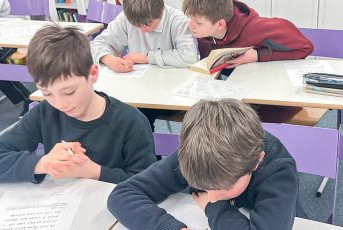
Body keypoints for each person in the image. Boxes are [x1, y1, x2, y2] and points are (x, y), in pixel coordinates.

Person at [0, 25, 157, 184]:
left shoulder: (130, 121)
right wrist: (42, 163)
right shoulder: (45, 112)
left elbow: (149, 183)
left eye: (69, 92)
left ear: (92, 74)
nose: (61, 104)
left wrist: (94, 172)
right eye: (46, 93)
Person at [107, 99, 299, 230]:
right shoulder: (197, 154)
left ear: (257, 161)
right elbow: (122, 195)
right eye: (206, 186)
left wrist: (213, 208)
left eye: (225, 186)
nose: (213, 195)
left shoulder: (278, 170)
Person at [182, 0, 314, 123]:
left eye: (198, 22)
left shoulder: (255, 28)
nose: (190, 25)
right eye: (190, 18)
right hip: (239, 96)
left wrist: (257, 55)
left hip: (273, 100)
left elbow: (305, 47)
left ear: (220, 24)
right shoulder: (204, 33)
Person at [90, 0, 198, 73]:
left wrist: (146, 58)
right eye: (136, 25)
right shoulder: (126, 17)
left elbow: (189, 56)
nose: (142, 31)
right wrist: (108, 59)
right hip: (137, 87)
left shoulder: (178, 20)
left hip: (171, 87)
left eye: (148, 24)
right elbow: (97, 43)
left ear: (162, 9)